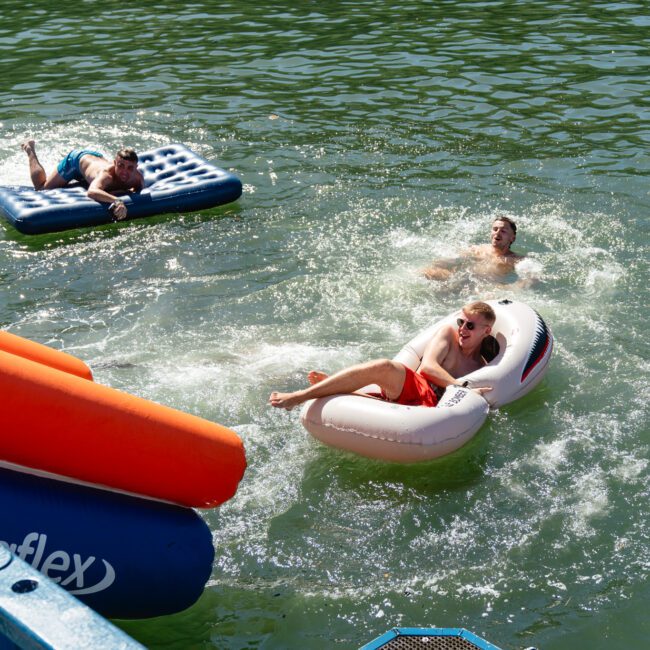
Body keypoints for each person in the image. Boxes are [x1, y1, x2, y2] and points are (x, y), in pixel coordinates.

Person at [269, 301, 495, 410]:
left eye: (471, 326)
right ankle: (299, 396)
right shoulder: (448, 334)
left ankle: (341, 388)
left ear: (486, 331)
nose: (463, 329)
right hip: (418, 384)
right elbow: (427, 368)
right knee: (384, 367)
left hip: (432, 406)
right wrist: (459, 386)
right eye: (461, 322)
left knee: (395, 408)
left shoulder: (480, 365)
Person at [21, 141, 145, 221]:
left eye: (130, 168)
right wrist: (117, 201)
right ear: (114, 163)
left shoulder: (138, 178)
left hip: (94, 159)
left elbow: (138, 190)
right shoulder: (106, 175)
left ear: (136, 168)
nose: (124, 171)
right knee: (42, 188)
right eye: (121, 165)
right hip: (76, 161)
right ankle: (30, 149)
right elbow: (92, 192)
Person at [423, 216, 523, 281]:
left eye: (503, 231)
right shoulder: (477, 249)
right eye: (495, 229)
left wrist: (509, 289)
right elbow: (453, 259)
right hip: (461, 279)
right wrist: (440, 265)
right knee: (427, 272)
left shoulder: (516, 260)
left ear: (512, 238)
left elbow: (529, 279)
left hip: (484, 289)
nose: (497, 232)